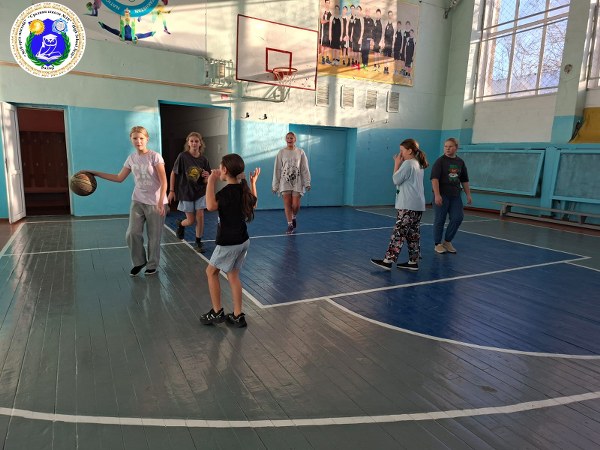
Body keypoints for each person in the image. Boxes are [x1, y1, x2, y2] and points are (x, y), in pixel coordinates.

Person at [87, 126, 168, 276]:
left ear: (147, 139)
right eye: (135, 138)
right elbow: (119, 178)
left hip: (156, 203)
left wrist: (160, 202)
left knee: (154, 237)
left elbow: (164, 181)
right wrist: (94, 173)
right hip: (138, 200)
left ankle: (152, 265)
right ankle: (139, 262)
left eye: (141, 138)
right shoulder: (131, 158)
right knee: (132, 233)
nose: (138, 141)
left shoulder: (155, 157)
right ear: (131, 139)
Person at [200, 155, 260, 328]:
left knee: (211, 272)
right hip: (243, 240)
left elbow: (210, 206)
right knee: (233, 275)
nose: (218, 169)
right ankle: (237, 315)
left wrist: (211, 181)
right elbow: (254, 204)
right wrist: (253, 183)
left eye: (220, 167)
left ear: (225, 170)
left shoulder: (226, 192)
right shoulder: (243, 189)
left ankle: (217, 312)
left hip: (229, 242)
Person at [371, 139, 429, 271]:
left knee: (399, 232)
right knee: (413, 234)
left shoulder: (408, 163)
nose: (400, 153)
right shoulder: (417, 163)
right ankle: (413, 261)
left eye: (402, 150)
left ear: (409, 151)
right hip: (417, 205)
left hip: (408, 205)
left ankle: (388, 260)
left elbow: (396, 180)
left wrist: (396, 164)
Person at [168, 132, 211, 253]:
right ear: (188, 143)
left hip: (200, 192)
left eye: (196, 141)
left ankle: (198, 242)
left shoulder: (204, 159)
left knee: (200, 216)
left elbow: (207, 179)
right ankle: (181, 224)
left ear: (200, 143)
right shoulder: (183, 156)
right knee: (191, 221)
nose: (194, 143)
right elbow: (173, 173)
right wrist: (171, 190)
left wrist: (207, 176)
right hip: (186, 192)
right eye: (191, 141)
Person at [430, 137, 472, 254]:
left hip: (455, 196)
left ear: (456, 148)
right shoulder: (440, 161)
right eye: (446, 146)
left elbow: (464, 180)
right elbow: (434, 179)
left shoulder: (460, 162)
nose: (447, 149)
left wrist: (468, 194)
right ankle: (437, 243)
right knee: (440, 219)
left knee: (458, 217)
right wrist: (437, 195)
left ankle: (447, 241)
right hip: (442, 195)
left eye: (450, 146)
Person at [272, 132, 311, 234]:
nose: (289, 140)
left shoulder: (300, 152)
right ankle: (290, 224)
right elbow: (277, 169)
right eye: (288, 138)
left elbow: (304, 168)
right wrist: (275, 186)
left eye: (291, 138)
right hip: (284, 181)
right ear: (286, 140)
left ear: (295, 140)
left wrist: (307, 182)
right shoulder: (281, 152)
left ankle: (293, 216)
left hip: (297, 181)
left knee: (295, 205)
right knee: (287, 203)